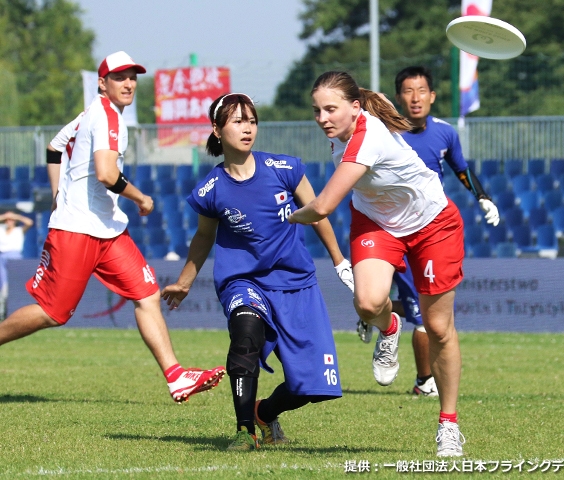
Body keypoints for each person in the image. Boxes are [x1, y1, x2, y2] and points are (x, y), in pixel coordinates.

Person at [0, 51, 225, 403]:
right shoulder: (105, 116)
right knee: (53, 313)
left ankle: (176, 376)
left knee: (146, 292)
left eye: (133, 76)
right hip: (76, 230)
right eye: (120, 77)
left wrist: (59, 192)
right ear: (103, 83)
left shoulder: (93, 114)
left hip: (108, 230)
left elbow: (54, 147)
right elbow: (106, 173)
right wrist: (140, 198)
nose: (129, 83)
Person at [288, 71, 466, 457]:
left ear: (355, 108)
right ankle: (390, 327)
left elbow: (322, 207)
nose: (322, 118)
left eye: (330, 109)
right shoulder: (341, 134)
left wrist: (283, 216)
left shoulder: (367, 137)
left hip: (432, 223)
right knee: (368, 303)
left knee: (438, 327)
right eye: (317, 110)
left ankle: (448, 424)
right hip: (377, 223)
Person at [161, 93, 351, 451]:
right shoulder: (210, 190)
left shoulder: (285, 168)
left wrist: (340, 261)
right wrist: (185, 281)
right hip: (244, 282)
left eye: (251, 120)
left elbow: (317, 212)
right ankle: (245, 429)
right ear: (217, 130)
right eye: (238, 121)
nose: (247, 128)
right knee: (245, 335)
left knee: (312, 388)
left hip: (296, 284)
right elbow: (204, 236)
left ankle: (265, 413)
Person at [357, 66, 499, 398]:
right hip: (388, 229)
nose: (416, 97)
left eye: (422, 90)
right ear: (397, 98)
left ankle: (377, 314)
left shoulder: (446, 133)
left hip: (427, 230)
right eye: (408, 91)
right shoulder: (384, 132)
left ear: (433, 96)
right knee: (421, 315)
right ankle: (424, 381)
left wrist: (482, 196)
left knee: (427, 310)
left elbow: (461, 170)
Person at [0, 211, 34, 321]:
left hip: (15, 258)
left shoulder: (19, 231)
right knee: (3, 286)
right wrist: (5, 216)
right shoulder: (1, 230)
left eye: (11, 220)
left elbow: (29, 222)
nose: (9, 221)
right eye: (7, 220)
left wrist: (15, 216)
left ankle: (15, 312)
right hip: (2, 257)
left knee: (15, 286)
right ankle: (3, 313)